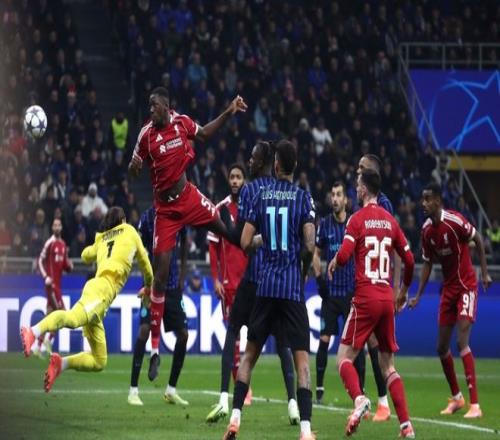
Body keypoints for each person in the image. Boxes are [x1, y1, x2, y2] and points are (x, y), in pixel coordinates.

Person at [128, 87, 247, 369]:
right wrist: (133, 167)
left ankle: (253, 241)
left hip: (189, 197)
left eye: (154, 105)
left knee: (225, 229)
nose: (150, 110)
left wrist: (228, 112)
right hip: (165, 212)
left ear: (165, 106)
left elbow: (204, 134)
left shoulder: (181, 122)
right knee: (160, 277)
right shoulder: (145, 135)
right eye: (148, 105)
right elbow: (134, 170)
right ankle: (155, 351)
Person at [223, 140, 316, 440]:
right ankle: (305, 430)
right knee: (301, 360)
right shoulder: (303, 198)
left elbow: (245, 242)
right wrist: (301, 264)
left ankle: (235, 418)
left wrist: (266, 239)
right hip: (291, 289)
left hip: (265, 286)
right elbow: (310, 245)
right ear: (295, 166)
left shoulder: (261, 196)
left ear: (275, 165)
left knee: (249, 355)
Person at [207, 142, 297, 426]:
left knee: (233, 333)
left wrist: (221, 225)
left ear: (263, 162)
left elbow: (240, 240)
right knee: (283, 343)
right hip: (277, 281)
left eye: (253, 157)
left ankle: (224, 400)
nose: (249, 161)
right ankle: (293, 404)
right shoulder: (282, 190)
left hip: (253, 278)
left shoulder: (250, 191)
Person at [20, 207, 153, 393]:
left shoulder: (103, 238)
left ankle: (60, 364)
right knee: (73, 319)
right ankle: (33, 331)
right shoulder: (130, 231)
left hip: (96, 291)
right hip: (102, 291)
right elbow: (146, 264)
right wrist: (149, 286)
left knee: (99, 361)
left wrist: (99, 240)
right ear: (123, 220)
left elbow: (84, 255)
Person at [328, 169, 415, 438]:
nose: (355, 188)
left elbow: (344, 255)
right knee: (388, 366)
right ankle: (406, 426)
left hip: (365, 298)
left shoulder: (356, 219)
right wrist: (403, 291)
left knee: (343, 359)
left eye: (357, 185)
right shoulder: (391, 221)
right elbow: (410, 260)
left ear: (364, 189)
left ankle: (359, 399)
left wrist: (334, 261)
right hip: (387, 299)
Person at [407, 182, 491, 418]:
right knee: (441, 347)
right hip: (448, 290)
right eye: (422, 199)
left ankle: (475, 405)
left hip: (466, 286)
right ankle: (457, 398)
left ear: (437, 201)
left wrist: (484, 273)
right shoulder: (426, 231)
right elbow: (427, 263)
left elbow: (478, 239)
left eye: (427, 199)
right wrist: (418, 295)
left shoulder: (455, 222)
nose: (423, 203)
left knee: (462, 341)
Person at [354, 153, 400, 421]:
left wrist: (396, 288)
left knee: (377, 345)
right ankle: (370, 399)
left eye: (362, 168)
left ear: (372, 172)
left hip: (378, 284)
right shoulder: (361, 203)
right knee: (364, 343)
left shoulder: (384, 205)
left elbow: (395, 246)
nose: (357, 171)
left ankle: (382, 402)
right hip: (365, 281)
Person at [128, 207, 189, 407]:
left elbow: (184, 243)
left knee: (183, 334)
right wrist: (147, 278)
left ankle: (171, 390)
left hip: (172, 286)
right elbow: (139, 250)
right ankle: (133, 391)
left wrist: (182, 274)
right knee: (144, 330)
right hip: (152, 284)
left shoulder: (178, 213)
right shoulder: (147, 218)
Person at [313, 182, 364, 404]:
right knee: (324, 339)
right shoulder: (324, 224)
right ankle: (319, 388)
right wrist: (319, 279)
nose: (334, 198)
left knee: (356, 343)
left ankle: (361, 389)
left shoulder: (354, 222)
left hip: (351, 293)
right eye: (332, 195)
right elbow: (316, 254)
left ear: (345, 200)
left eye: (338, 195)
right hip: (331, 294)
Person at [207, 164, 248, 395]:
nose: (234, 181)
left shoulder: (252, 206)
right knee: (234, 336)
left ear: (244, 181)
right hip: (229, 284)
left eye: (238, 177)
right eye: (232, 177)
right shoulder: (219, 209)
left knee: (254, 335)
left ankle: (242, 381)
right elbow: (213, 247)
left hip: (250, 283)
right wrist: (215, 279)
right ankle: (240, 385)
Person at [35, 218, 73, 356]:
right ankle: (48, 340)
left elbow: (64, 265)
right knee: (63, 314)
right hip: (51, 286)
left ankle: (38, 347)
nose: (57, 227)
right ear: (52, 228)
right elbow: (40, 260)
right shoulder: (49, 243)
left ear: (61, 227)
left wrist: (69, 266)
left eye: (58, 225)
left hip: (58, 286)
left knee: (49, 316)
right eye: (54, 225)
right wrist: (46, 277)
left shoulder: (63, 244)